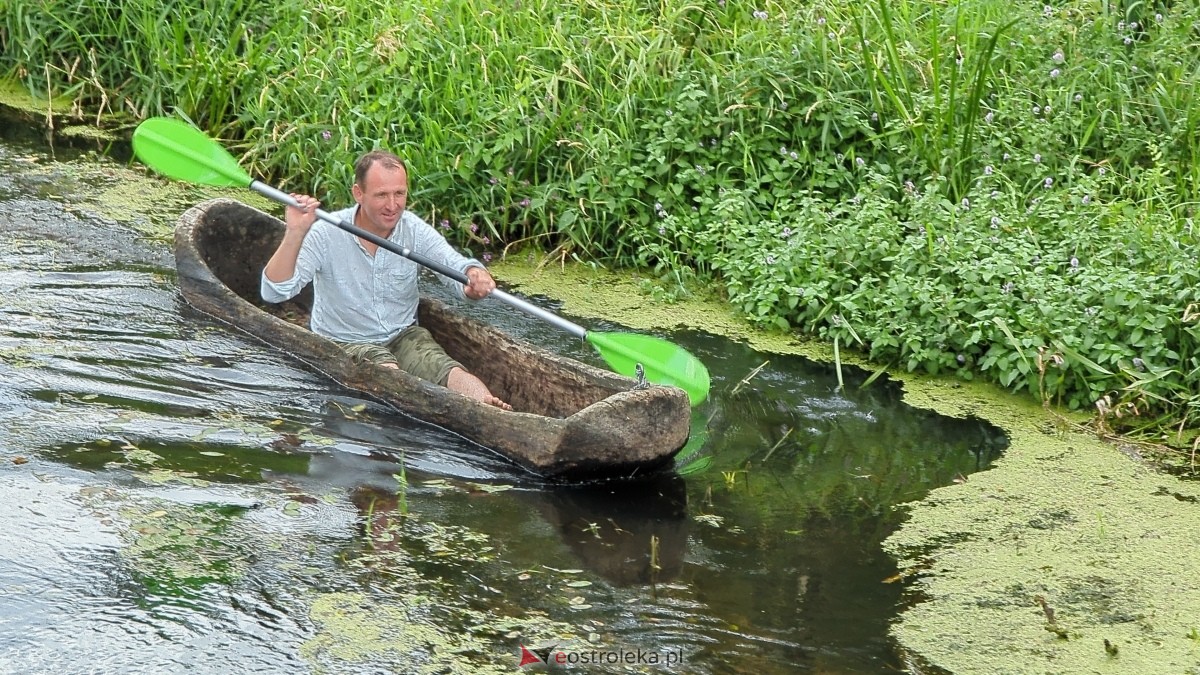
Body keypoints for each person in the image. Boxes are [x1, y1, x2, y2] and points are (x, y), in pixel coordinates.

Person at [260, 150, 511, 410]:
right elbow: (274, 292)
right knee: (387, 370)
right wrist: (295, 231)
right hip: (345, 341)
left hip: (403, 336)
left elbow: (454, 266)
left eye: (399, 194)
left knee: (449, 371)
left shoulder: (412, 229)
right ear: (359, 193)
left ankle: (488, 407)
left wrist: (473, 275)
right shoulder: (326, 232)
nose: (392, 205)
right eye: (381, 195)